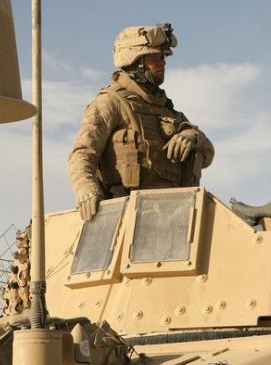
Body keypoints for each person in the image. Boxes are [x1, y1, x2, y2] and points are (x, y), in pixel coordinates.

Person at [68, 23, 214, 221]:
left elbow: (208, 154)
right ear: (134, 59)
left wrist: (192, 136)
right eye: (155, 57)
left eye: (163, 57)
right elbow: (81, 154)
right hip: (126, 217)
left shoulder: (169, 112)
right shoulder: (110, 102)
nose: (162, 63)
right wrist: (86, 189)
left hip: (176, 217)